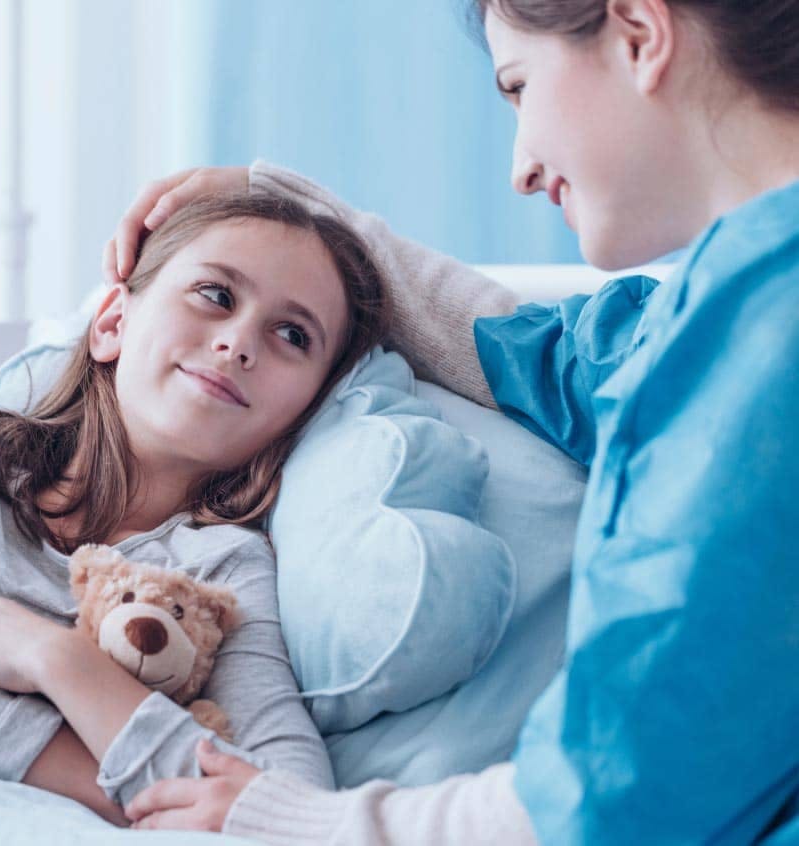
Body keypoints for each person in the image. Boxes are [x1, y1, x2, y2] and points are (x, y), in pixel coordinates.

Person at [104, 0, 799, 843]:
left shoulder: (759, 339)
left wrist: (301, 822)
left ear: (640, 36)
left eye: (518, 86)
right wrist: (286, 209)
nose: (522, 169)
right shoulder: (712, 316)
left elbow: (615, 799)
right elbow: (545, 356)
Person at [0, 194, 391, 827]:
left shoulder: (224, 574)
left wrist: (59, 662)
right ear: (111, 324)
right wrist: (98, 781)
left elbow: (285, 807)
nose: (239, 343)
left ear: (305, 413)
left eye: (292, 335)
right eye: (215, 295)